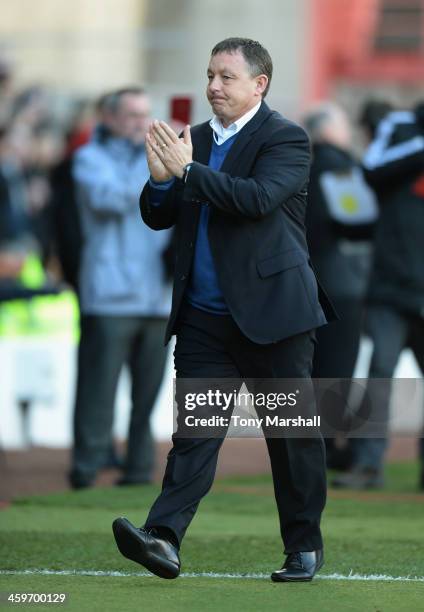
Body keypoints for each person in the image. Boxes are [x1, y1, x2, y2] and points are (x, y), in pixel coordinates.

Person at [112, 38, 335, 582]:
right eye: (210, 74)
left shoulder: (287, 138)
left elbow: (254, 199)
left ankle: (303, 546)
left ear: (259, 85)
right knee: (195, 437)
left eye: (226, 77)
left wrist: (187, 172)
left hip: (276, 318)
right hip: (204, 320)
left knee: (291, 439)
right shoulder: (198, 140)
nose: (213, 86)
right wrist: (162, 182)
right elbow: (160, 215)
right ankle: (163, 538)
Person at [69, 87, 171, 489]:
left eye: (146, 114)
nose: (141, 123)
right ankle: (86, 469)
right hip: (109, 295)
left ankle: (139, 470)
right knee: (98, 392)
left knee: (147, 397)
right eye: (131, 115)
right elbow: (109, 199)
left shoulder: (154, 158)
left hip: (156, 298)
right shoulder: (89, 158)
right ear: (108, 118)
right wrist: (157, 163)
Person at [333, 103, 424, 490]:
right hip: (391, 287)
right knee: (380, 375)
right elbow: (369, 170)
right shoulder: (401, 129)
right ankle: (368, 466)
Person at [302, 102, 377, 470]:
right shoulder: (340, 170)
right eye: (343, 124)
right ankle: (327, 448)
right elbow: (360, 221)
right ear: (328, 130)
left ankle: (316, 445)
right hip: (342, 283)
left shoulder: (307, 169)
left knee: (316, 367)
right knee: (337, 367)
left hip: (313, 281)